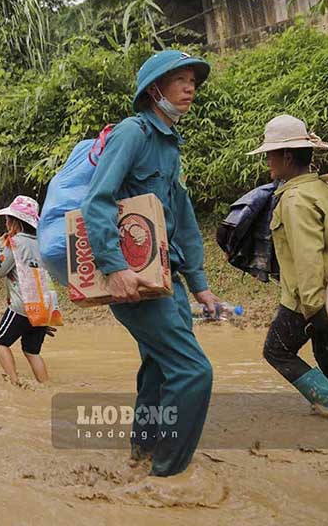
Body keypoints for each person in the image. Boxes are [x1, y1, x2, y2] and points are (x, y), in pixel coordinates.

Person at [80, 50, 218, 477]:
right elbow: (96, 201)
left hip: (167, 278)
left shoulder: (169, 145)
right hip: (132, 279)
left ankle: (141, 456)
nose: (190, 87)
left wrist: (198, 283)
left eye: (193, 79)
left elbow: (184, 215)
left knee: (160, 368)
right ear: (154, 89)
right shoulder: (132, 134)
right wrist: (115, 266)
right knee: (194, 371)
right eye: (179, 79)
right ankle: (168, 476)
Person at [249, 116, 328, 421]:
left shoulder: (295, 199)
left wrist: (312, 308)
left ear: (287, 156)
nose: (268, 161)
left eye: (270, 154)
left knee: (276, 351)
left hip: (309, 298)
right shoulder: (324, 191)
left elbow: (308, 258)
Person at [0, 196, 54, 385]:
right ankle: (46, 385)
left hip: (22, 305)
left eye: (8, 218)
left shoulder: (15, 242)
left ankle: (15, 381)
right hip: (43, 306)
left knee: (0, 342)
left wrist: (0, 247)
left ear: (14, 222)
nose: (6, 221)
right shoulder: (42, 243)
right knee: (32, 351)